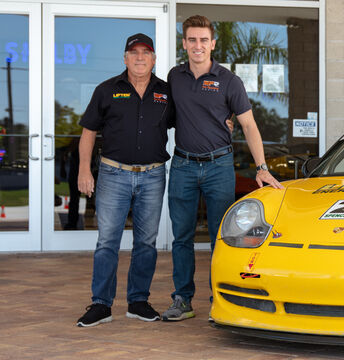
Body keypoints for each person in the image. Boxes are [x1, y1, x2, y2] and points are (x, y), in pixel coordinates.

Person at [162, 15, 284, 321]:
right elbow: (169, 118)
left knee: (223, 237)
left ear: (213, 43)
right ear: (184, 43)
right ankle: (182, 299)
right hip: (183, 165)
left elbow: (249, 125)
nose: (198, 45)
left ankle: (221, 299)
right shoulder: (174, 77)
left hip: (219, 166)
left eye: (204, 40)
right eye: (192, 39)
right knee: (181, 237)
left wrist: (262, 167)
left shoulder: (229, 80)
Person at [76, 33, 171, 327]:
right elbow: (88, 132)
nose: (140, 57)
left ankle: (138, 302)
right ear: (125, 58)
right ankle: (101, 305)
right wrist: (83, 169)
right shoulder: (107, 90)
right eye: (134, 52)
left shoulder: (166, 93)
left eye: (146, 52)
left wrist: (225, 119)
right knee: (107, 241)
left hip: (153, 175)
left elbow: (193, 118)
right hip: (113, 174)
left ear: (154, 59)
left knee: (146, 242)